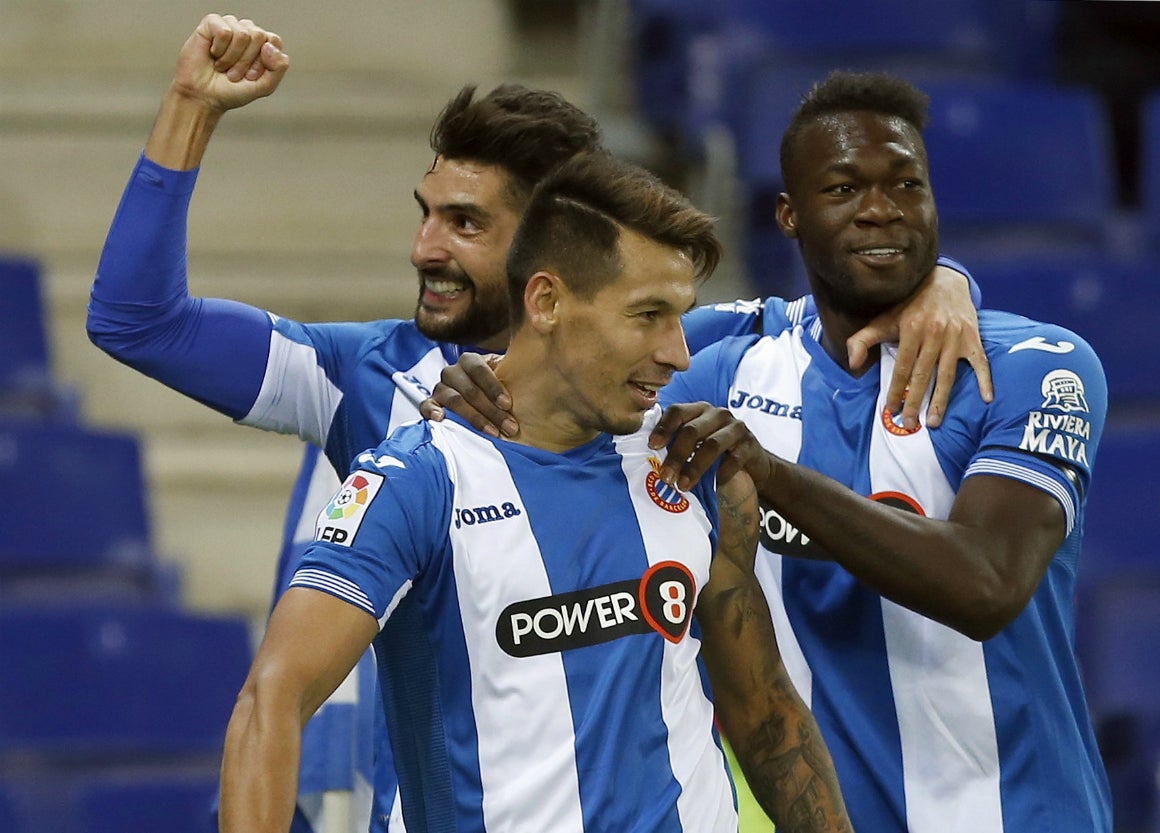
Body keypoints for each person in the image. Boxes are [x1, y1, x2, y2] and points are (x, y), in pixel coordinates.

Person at [87, 14, 985, 832]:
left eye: (464, 223)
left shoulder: (668, 366)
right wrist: (191, 107)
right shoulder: (370, 385)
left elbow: (848, 301)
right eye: (427, 216)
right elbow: (136, 320)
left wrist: (947, 284)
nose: (424, 248)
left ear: (546, 244)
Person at [435, 70, 1113, 833]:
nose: (882, 208)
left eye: (906, 184)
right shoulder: (733, 363)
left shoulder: (1036, 367)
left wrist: (772, 474)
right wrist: (478, 380)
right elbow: (575, 359)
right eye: (845, 188)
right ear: (789, 215)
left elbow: (986, 585)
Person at [219, 149, 855, 833]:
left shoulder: (693, 466)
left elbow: (765, 711)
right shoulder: (419, 483)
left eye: (680, 316)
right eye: (648, 315)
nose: (677, 352)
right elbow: (271, 701)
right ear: (547, 302)